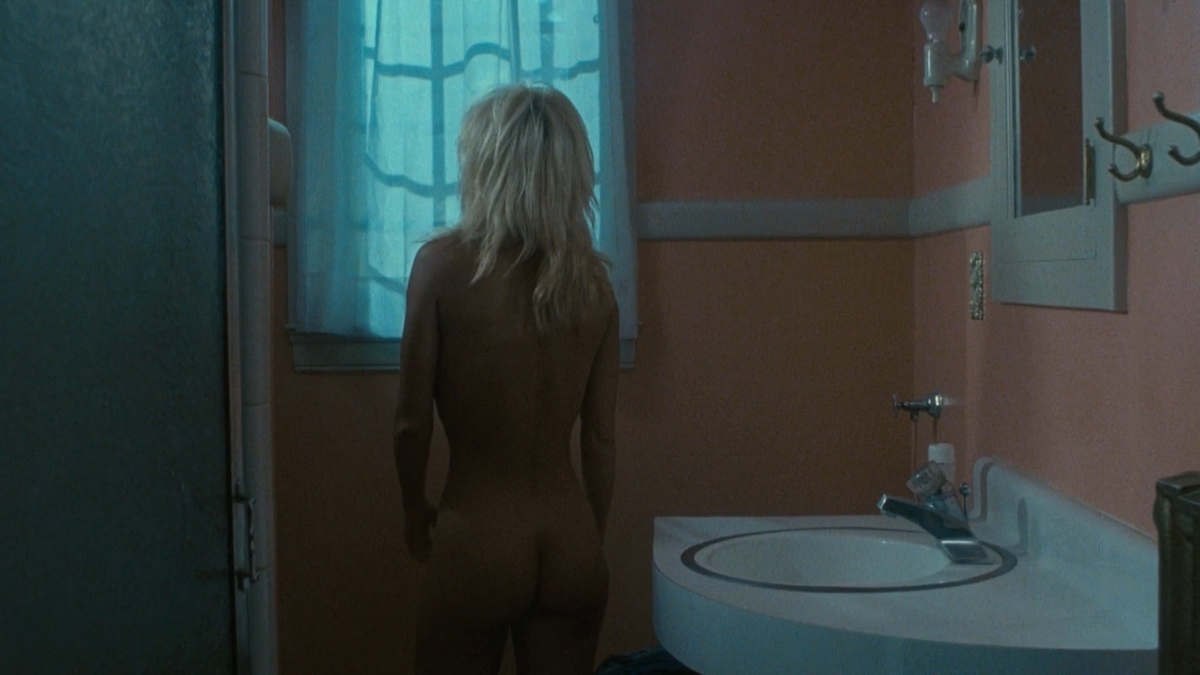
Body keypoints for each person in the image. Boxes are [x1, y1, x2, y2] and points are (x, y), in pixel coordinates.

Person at [392, 83, 619, 675]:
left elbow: (411, 423)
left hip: (479, 540)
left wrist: (414, 510)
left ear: (486, 165)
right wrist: (590, 535)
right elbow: (600, 440)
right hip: (571, 538)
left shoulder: (441, 267)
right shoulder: (595, 285)